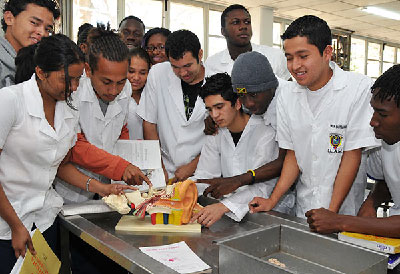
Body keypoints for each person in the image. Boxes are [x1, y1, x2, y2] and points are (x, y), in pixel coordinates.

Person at [0, 34, 133, 274]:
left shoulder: (67, 108)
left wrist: (100, 188)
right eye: (66, 80)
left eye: (77, 80)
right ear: (41, 73)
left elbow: (60, 164)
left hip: (44, 219)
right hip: (7, 224)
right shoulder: (10, 101)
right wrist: (15, 225)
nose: (73, 88)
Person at [249, 15, 379, 218]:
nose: (295, 66)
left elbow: (351, 154)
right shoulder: (287, 95)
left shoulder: (357, 88)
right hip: (305, 207)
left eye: (303, 56)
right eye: (289, 57)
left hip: (345, 211)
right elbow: (292, 154)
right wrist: (272, 200)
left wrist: (332, 213)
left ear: (327, 53)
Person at [55, 27, 150, 204]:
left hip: (108, 186)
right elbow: (75, 146)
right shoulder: (73, 91)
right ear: (89, 70)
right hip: (72, 191)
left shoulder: (126, 89)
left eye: (120, 82)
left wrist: (127, 160)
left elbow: (120, 128)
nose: (114, 90)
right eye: (106, 82)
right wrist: (120, 166)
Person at [305, 64, 400, 237]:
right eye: (373, 111)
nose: (373, 122)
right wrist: (372, 201)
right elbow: (389, 180)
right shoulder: (385, 143)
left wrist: (339, 221)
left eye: (383, 114)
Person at [190, 72, 294, 227]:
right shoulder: (216, 132)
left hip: (268, 216)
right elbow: (205, 176)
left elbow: (263, 187)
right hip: (231, 214)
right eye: (210, 109)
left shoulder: (265, 132)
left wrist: (224, 206)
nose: (215, 115)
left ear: (238, 103)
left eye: (219, 107)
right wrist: (183, 190)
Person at [197, 52, 291, 199]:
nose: (249, 103)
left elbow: (285, 162)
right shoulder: (246, 96)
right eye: (242, 96)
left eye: (219, 107)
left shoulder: (288, 102)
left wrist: (238, 181)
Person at [137, 29, 207, 183]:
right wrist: (158, 168)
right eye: (175, 67)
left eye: (188, 65)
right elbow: (149, 123)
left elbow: (221, 134)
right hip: (166, 167)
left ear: (200, 55)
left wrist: (193, 166)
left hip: (203, 169)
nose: (182, 73)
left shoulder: (217, 79)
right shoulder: (158, 74)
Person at [205, 4, 290, 80]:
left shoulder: (274, 56)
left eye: (247, 22)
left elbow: (289, 92)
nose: (243, 26)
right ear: (223, 31)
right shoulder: (212, 63)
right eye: (236, 22)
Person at [0, 0, 60, 88]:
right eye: (34, 23)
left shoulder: (40, 64)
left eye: (48, 29)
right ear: (9, 18)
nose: (42, 33)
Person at [127, 47, 151, 140]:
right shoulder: (114, 98)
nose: (136, 77)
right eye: (131, 71)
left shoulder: (152, 97)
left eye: (142, 73)